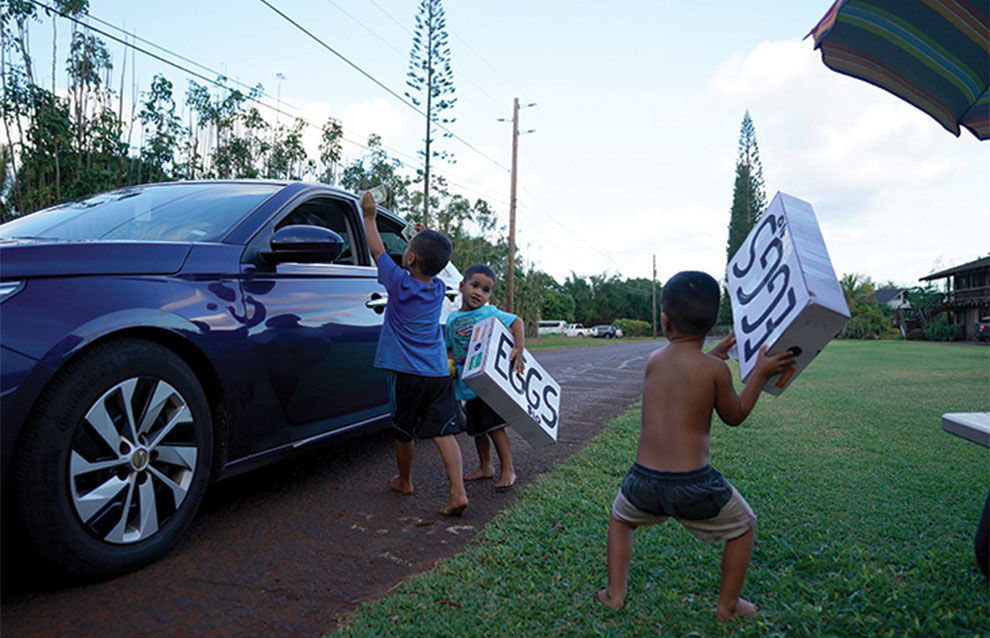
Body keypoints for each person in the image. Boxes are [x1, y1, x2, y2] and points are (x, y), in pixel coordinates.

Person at [596, 270, 796, 620]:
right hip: (693, 485)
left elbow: (684, 373)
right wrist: (760, 374)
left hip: (642, 481)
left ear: (665, 320)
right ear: (715, 321)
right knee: (744, 526)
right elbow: (734, 415)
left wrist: (712, 354)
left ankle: (614, 594)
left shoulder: (654, 361)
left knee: (620, 519)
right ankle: (728, 606)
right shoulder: (715, 371)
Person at [360, 191, 467, 517]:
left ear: (409, 260)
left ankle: (404, 480)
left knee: (404, 431)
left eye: (407, 249)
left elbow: (376, 249)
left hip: (406, 374)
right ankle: (458, 491)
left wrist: (368, 216)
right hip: (436, 373)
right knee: (442, 432)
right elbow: (433, 263)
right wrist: (421, 239)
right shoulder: (436, 288)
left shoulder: (399, 284)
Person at [445, 264, 525, 490]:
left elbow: (516, 321)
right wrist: (448, 367)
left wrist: (519, 348)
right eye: (475, 285)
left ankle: (508, 469)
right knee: (477, 429)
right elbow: (450, 347)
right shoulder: (452, 319)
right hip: (466, 383)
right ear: (462, 286)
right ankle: (485, 466)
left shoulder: (489, 312)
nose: (479, 292)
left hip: (487, 382)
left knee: (494, 426)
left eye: (486, 290)